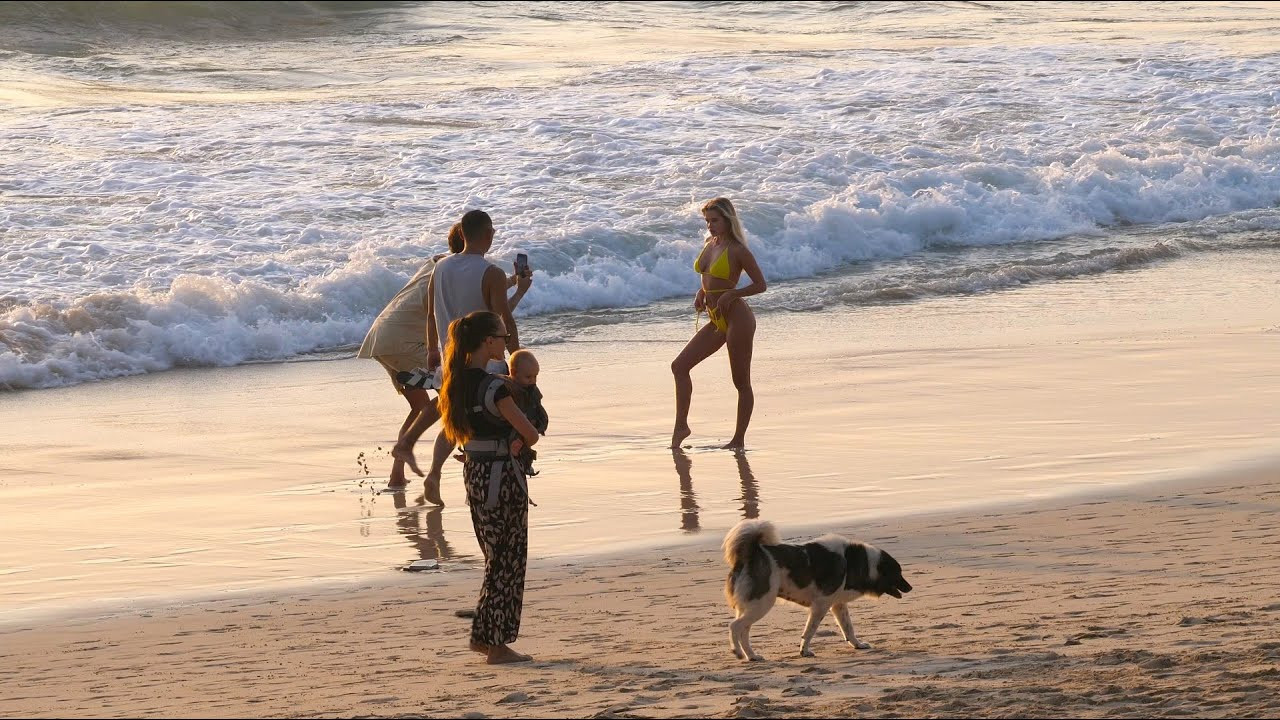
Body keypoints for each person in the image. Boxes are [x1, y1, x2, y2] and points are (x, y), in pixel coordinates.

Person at [392, 210, 532, 504]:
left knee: (455, 416)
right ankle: (479, 486)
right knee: (487, 422)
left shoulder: (440, 268)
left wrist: (433, 349)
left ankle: (432, 472)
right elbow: (501, 320)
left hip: (451, 357)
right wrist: (516, 355)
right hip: (485, 361)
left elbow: (431, 313)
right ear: (488, 235)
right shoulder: (490, 273)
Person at [439, 310, 540, 665]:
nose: (506, 342)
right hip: (503, 477)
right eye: (501, 336)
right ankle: (496, 645)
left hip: (476, 474)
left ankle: (485, 637)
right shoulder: (495, 387)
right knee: (508, 560)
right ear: (487, 341)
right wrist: (520, 441)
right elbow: (530, 432)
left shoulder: (455, 382)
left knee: (494, 557)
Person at [357, 227, 463, 491]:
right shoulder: (450, 275)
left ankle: (396, 475)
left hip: (382, 335)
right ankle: (468, 451)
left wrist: (509, 283)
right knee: (454, 392)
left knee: (420, 407)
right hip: (403, 340)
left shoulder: (437, 262)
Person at [670, 197, 767, 450]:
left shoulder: (738, 250)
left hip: (738, 318)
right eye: (707, 221)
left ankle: (738, 440)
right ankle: (682, 425)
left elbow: (760, 285)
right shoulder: (710, 244)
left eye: (715, 220)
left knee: (741, 382)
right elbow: (709, 277)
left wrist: (733, 293)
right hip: (715, 317)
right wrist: (701, 293)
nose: (710, 225)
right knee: (679, 366)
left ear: (728, 220)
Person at [506, 349, 548, 476]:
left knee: (524, 446)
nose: (533, 380)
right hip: (514, 428)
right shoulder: (508, 390)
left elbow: (538, 407)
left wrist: (539, 423)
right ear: (513, 373)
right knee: (515, 444)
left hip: (530, 424)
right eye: (528, 377)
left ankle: (526, 463)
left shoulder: (532, 390)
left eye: (535, 376)